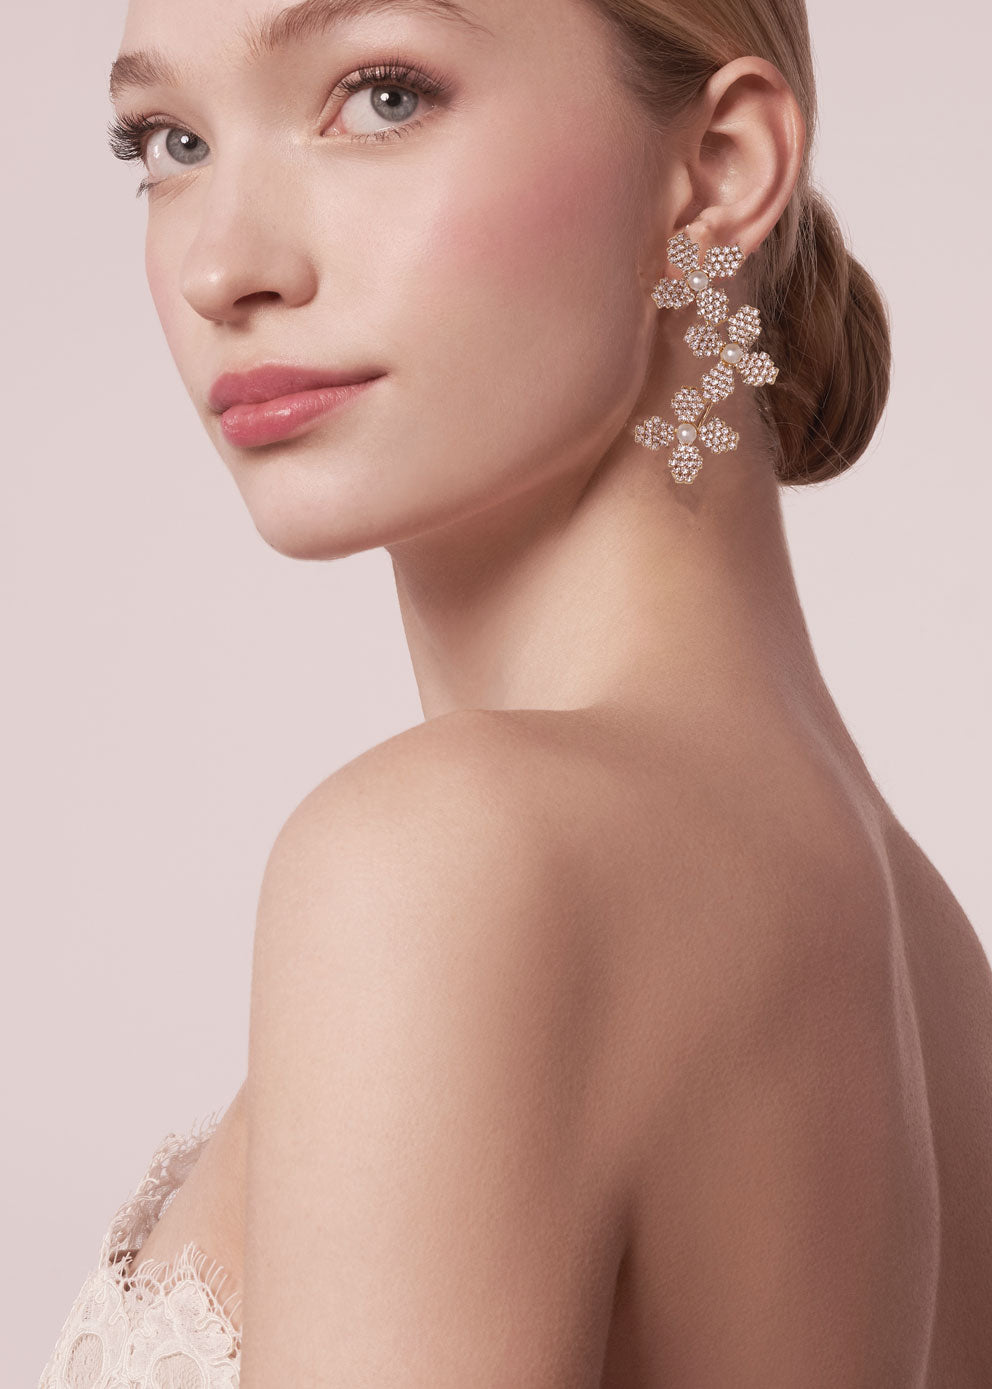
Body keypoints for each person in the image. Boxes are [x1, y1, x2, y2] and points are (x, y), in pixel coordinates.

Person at [39, 0, 992, 1384]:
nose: (222, 266)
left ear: (721, 166)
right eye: (169, 139)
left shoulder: (450, 859)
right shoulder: (929, 957)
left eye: (380, 96)